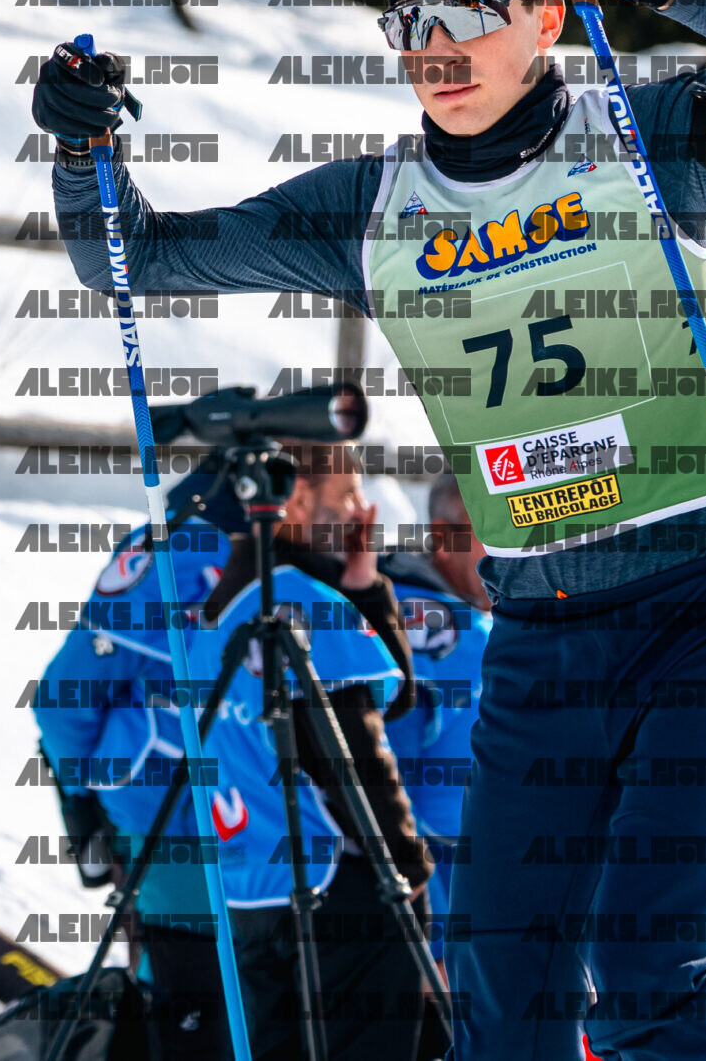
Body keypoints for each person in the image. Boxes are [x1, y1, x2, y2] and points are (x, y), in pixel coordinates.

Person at [33, 0, 706, 1060]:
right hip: (539, 636)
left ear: (547, 18)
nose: (434, 49)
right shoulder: (370, 205)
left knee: (644, 984)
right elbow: (127, 261)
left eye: (470, 12)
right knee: (500, 1003)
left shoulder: (649, 136)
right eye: (409, 23)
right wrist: (79, 144)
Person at [35, 441, 439, 1061]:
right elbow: (65, 700)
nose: (363, 509)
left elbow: (373, 701)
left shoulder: (267, 576)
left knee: (246, 1026)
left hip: (252, 846)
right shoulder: (188, 549)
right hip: (183, 828)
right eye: (348, 492)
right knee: (203, 1020)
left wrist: (362, 584)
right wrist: (88, 809)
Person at [378, 475, 492, 962]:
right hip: (440, 911)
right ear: (444, 538)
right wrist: (433, 945)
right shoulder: (439, 628)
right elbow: (386, 788)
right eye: (493, 530)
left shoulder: (474, 613)